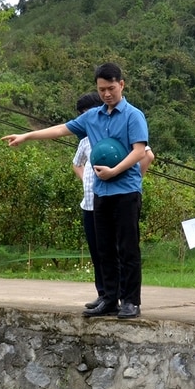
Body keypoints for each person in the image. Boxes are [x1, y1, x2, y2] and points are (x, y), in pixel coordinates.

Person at [3, 63, 151, 319]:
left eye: (111, 88)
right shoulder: (92, 117)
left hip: (126, 190)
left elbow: (140, 151)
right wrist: (27, 136)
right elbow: (61, 129)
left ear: (122, 85)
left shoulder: (133, 115)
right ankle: (109, 298)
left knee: (127, 248)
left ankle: (131, 301)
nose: (106, 94)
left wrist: (115, 171)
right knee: (103, 248)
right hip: (101, 193)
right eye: (102, 89)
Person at [70, 91, 106, 308]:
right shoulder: (84, 140)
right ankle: (102, 294)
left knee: (111, 251)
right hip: (89, 204)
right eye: (81, 114)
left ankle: (118, 296)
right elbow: (77, 163)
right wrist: (85, 180)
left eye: (88, 112)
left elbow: (145, 155)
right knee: (96, 252)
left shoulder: (113, 133)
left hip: (110, 202)